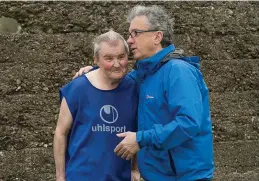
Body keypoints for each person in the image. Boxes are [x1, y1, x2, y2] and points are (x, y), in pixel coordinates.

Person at [75, 5, 214, 181]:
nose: (129, 41)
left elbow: (188, 123)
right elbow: (119, 80)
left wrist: (140, 139)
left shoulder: (178, 71)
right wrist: (97, 71)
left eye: (135, 33)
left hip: (184, 177)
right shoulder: (145, 73)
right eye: (129, 34)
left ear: (157, 36)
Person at [53, 30, 140, 181]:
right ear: (96, 60)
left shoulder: (135, 88)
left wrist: (135, 169)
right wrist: (60, 176)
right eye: (108, 58)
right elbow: (61, 133)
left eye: (121, 57)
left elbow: (140, 132)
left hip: (121, 176)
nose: (116, 64)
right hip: (81, 176)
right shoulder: (77, 88)